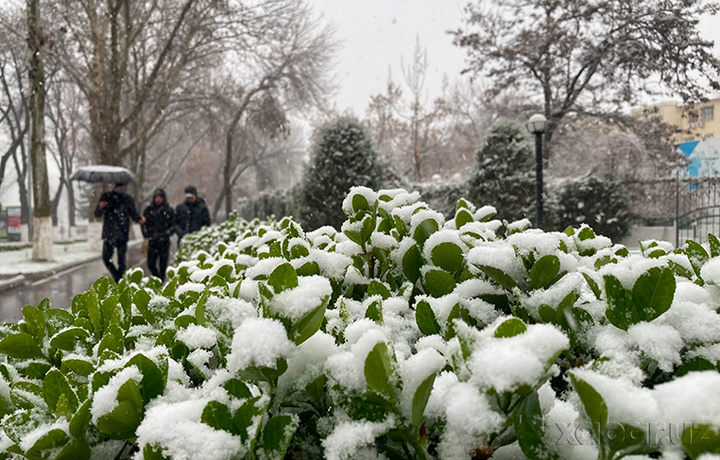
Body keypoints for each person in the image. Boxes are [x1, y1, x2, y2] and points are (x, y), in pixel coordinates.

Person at [94, 183, 145, 283]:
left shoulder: (127, 199)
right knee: (106, 258)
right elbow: (97, 214)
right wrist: (100, 207)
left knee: (121, 260)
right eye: (124, 187)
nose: (125, 189)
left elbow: (133, 213)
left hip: (122, 232)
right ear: (117, 186)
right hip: (109, 233)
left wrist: (139, 219)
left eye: (126, 187)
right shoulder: (107, 197)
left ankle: (120, 280)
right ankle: (118, 277)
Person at [141, 188, 175, 282]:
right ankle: (157, 278)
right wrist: (146, 234)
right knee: (150, 264)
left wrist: (167, 233)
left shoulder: (169, 210)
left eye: (160, 197)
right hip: (152, 241)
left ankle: (161, 280)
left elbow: (173, 225)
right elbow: (143, 224)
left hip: (164, 241)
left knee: (163, 264)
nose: (158, 199)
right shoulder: (149, 210)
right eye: (156, 197)